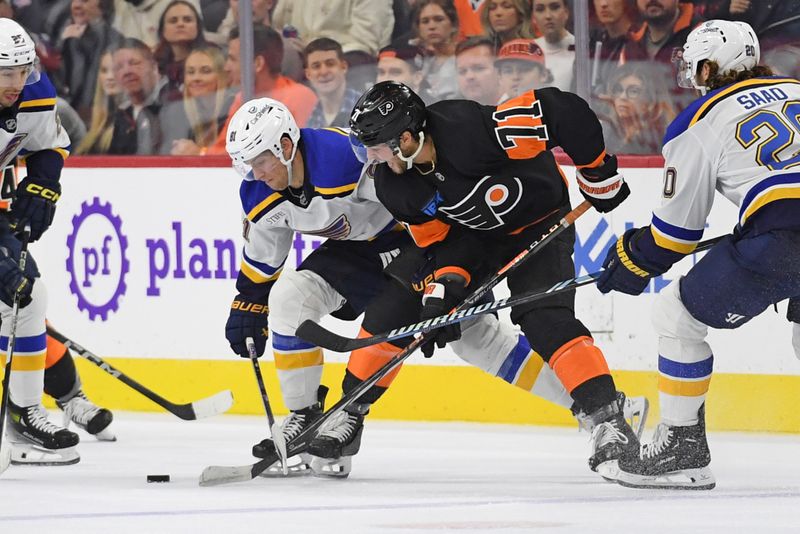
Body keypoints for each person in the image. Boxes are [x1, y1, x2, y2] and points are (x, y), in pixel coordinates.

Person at [222, 97, 647, 478]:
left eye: (260, 160)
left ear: (284, 145)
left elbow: (557, 114)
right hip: (383, 249)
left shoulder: (366, 155)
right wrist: (248, 302)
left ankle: (604, 410)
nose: (255, 174)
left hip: (452, 235)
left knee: (500, 332)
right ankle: (319, 416)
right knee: (318, 303)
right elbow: (267, 253)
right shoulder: (371, 176)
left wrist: (596, 170)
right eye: (247, 165)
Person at [348, 79, 641, 479]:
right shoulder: (393, 184)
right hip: (476, 238)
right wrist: (444, 288)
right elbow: (441, 244)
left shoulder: (470, 129)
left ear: (406, 137)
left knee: (542, 317)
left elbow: (562, 110)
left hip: (540, 223)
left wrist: (598, 171)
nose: (372, 158)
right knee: (402, 300)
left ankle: (608, 419)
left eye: (377, 147)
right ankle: (348, 414)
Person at [596, 19, 800, 490]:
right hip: (781, 230)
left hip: (784, 239)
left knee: (675, 316)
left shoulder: (699, 122)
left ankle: (683, 448)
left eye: (695, 65)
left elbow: (674, 236)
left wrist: (634, 255)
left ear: (709, 66)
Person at [0, 18, 78, 465]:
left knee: (27, 296)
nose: (16, 82)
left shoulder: (34, 91)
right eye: (5, 72)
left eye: (22, 70)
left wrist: (44, 184)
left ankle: (24, 413)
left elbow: (48, 144)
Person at [160, 45, 234, 155]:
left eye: (206, 71)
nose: (196, 78)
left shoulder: (234, 109)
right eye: (190, 72)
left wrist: (200, 153)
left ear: (222, 75)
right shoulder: (175, 113)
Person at [599, 62, 676, 154]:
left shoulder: (658, 140)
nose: (622, 97)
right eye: (618, 90)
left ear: (651, 100)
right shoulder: (604, 132)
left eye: (633, 91)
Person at [109, 38, 166, 154]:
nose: (127, 72)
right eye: (119, 67)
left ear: (154, 67)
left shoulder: (172, 105)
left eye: (134, 63)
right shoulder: (120, 117)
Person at [153, 0, 208, 102]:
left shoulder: (212, 58)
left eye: (187, 20)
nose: (180, 24)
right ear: (162, 30)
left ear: (198, 27)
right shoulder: (154, 65)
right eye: (173, 21)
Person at [303, 38, 361, 129]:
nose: (323, 72)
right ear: (308, 74)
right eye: (316, 66)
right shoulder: (311, 116)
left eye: (330, 64)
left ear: (344, 67)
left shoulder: (365, 108)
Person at [75, 50, 120, 154]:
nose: (110, 77)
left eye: (116, 70)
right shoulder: (99, 122)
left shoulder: (127, 126)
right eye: (104, 70)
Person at [532, 0, 575, 91]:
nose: (548, 16)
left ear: (566, 12)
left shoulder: (582, 50)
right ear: (533, 17)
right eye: (540, 9)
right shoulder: (528, 50)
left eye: (555, 7)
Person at [495, 38, 552, 103]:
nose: (515, 77)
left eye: (525, 69)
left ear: (543, 74)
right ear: (500, 78)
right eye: (508, 71)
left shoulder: (557, 108)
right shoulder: (495, 111)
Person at [455, 36, 501, 105]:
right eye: (462, 71)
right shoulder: (452, 112)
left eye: (479, 68)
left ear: (500, 71)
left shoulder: (516, 109)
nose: (469, 76)